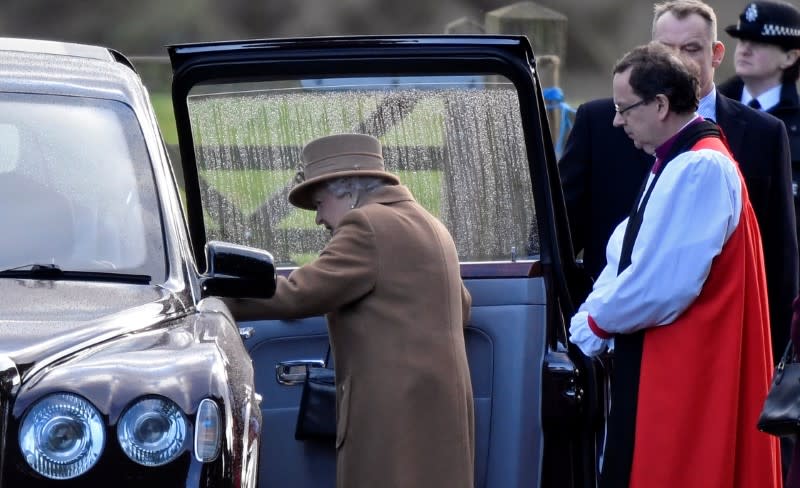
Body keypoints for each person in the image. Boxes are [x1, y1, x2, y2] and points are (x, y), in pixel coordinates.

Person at [569, 41, 781, 488]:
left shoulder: (700, 166)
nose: (616, 120)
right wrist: (595, 314)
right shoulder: (676, 160)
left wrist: (595, 324)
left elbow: (661, 286)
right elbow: (627, 250)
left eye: (625, 109)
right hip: (671, 364)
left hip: (687, 370)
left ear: (661, 104)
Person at [224, 133, 475, 488]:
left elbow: (298, 294)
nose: (318, 218)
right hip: (440, 409)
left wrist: (219, 300)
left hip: (393, 412)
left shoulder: (366, 225)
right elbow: (462, 306)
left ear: (347, 189)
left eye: (319, 201)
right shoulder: (432, 225)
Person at [559, 0, 798, 363]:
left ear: (716, 53)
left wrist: (776, 361)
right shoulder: (599, 122)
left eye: (691, 49)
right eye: (666, 50)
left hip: (711, 344)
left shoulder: (755, 137)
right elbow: (562, 234)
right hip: (609, 340)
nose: (678, 61)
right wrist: (576, 326)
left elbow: (778, 257)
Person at [719, 0, 800, 262]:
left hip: (774, 267)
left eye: (760, 42)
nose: (745, 49)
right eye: (742, 40)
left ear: (790, 56)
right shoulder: (706, 110)